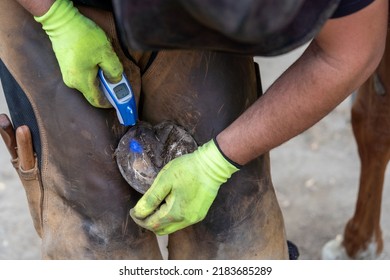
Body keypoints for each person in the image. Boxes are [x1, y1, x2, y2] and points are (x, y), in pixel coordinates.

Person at [0, 0, 387, 259]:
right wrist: (55, 17)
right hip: (51, 10)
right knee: (96, 239)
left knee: (235, 235)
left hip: (197, 20)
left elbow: (349, 53)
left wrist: (218, 161)